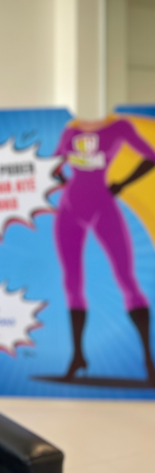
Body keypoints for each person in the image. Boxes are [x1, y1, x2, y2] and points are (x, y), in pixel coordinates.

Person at [54, 116, 155, 383]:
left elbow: (151, 157)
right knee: (72, 282)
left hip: (103, 206)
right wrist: (63, 181)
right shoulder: (70, 131)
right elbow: (50, 165)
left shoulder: (118, 127)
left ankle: (149, 360)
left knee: (126, 279)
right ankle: (78, 356)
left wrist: (122, 184)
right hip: (69, 209)